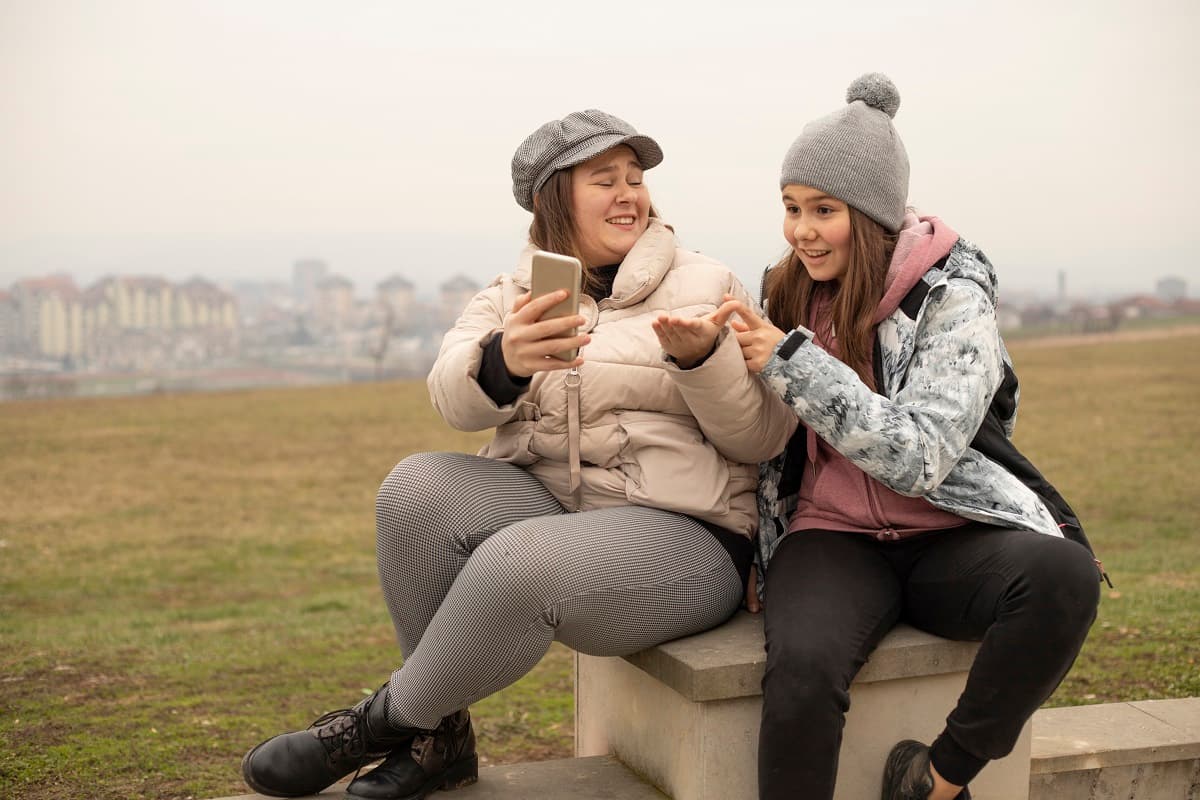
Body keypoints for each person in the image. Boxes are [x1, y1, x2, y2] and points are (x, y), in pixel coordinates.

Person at [240, 109, 796, 800]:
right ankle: (441, 742)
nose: (628, 194)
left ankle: (372, 726)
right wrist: (502, 362)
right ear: (553, 198)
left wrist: (701, 362)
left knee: (519, 557)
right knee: (414, 489)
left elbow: (762, 437)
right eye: (604, 180)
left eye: (635, 178)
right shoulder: (511, 298)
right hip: (557, 507)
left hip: (687, 534)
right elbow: (451, 396)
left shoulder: (708, 285)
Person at [686, 74, 1103, 799]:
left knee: (1064, 576)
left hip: (951, 535)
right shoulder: (786, 290)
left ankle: (937, 781)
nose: (802, 231)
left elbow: (920, 456)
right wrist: (699, 360)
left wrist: (794, 362)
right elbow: (764, 436)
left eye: (824, 210)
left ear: (873, 215)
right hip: (831, 538)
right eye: (791, 207)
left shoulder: (953, 299)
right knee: (802, 671)